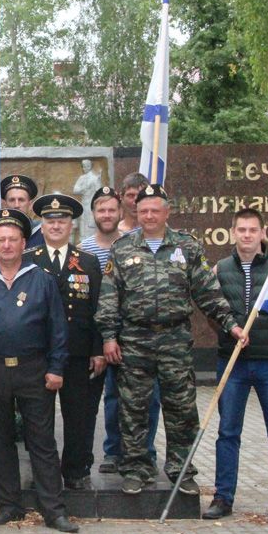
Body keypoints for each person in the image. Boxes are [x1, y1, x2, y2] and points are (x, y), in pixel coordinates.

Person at [97, 184, 247, 495]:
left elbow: (207, 291)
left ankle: (182, 469)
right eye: (143, 211)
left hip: (175, 340)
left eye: (155, 210)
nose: (149, 216)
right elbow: (110, 296)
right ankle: (136, 469)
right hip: (134, 340)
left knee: (181, 409)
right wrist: (109, 337)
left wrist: (230, 324)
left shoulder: (187, 247)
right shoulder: (122, 248)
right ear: (136, 214)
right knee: (133, 409)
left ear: (167, 212)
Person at [0, 209, 79, 533]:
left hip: (34, 370)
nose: (7, 245)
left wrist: (56, 368)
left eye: (13, 239)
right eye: (1, 240)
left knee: (41, 441)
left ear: (24, 242)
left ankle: (53, 510)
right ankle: (9, 505)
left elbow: (58, 329)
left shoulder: (41, 279)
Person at [204, 209, 268, 524]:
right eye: (241, 230)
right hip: (232, 362)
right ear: (233, 232)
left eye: (253, 230)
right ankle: (223, 497)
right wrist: (228, 332)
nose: (247, 235)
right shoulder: (220, 269)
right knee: (228, 432)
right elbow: (211, 310)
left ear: (262, 233)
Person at [78, 186, 161, 475]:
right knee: (112, 398)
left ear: (121, 212)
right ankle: (113, 451)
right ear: (94, 214)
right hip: (98, 336)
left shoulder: (134, 244)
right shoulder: (84, 249)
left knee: (145, 398)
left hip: (133, 336)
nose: (107, 214)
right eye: (101, 209)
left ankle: (144, 451)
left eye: (112, 209)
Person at [25, 193, 104, 490]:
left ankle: (75, 471)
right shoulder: (28, 261)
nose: (56, 225)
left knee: (79, 415)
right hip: (38, 354)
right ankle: (43, 473)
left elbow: (99, 308)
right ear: (41, 225)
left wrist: (98, 350)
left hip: (78, 352)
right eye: (50, 220)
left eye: (62, 220)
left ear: (71, 224)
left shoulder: (87, 261)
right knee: (38, 418)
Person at [0, 174, 42, 247]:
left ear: (30, 204)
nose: (16, 205)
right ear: (4, 204)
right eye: (12, 200)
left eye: (21, 200)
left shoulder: (41, 231)